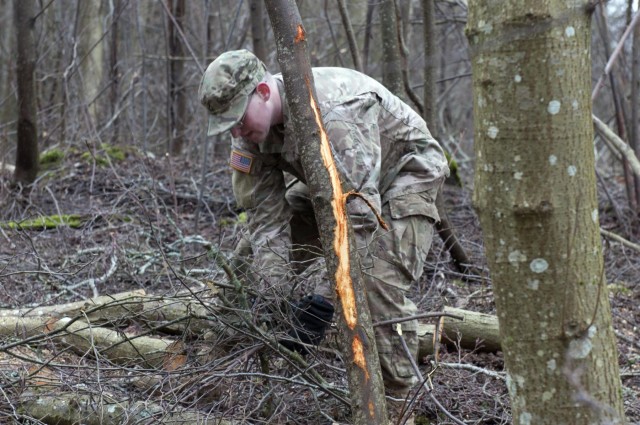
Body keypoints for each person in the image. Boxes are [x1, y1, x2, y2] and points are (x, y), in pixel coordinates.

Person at [198, 49, 449, 420]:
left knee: (374, 278)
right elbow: (267, 220)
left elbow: (359, 217)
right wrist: (273, 295)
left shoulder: (334, 114)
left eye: (237, 118)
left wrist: (321, 299)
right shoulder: (249, 133)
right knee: (248, 256)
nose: (236, 130)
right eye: (227, 124)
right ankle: (212, 362)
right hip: (334, 183)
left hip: (403, 177)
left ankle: (394, 405)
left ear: (264, 92)